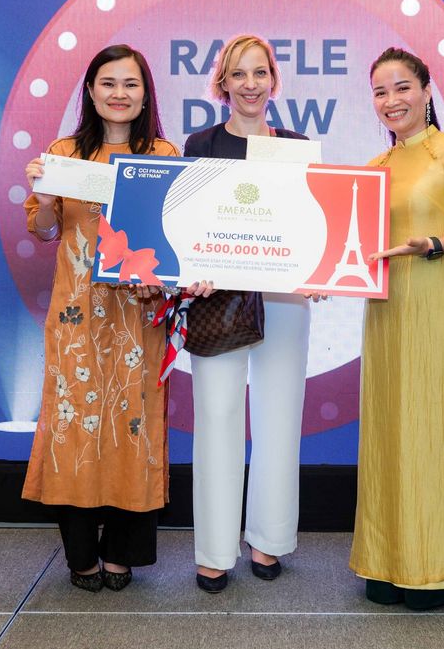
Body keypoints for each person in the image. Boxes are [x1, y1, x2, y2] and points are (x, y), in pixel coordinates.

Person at [349, 47, 444, 610]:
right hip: (386, 310)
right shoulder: (375, 168)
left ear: (426, 91)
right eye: (380, 91)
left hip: (437, 299)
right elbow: (353, 243)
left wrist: (436, 243)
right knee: (389, 427)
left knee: (435, 425)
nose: (391, 101)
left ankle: (437, 564)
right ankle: (388, 560)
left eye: (402, 88)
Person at [21, 44, 179, 593]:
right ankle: (81, 555)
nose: (119, 94)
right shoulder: (64, 154)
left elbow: (175, 235)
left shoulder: (163, 154)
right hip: (77, 316)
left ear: (146, 94)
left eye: (130, 84)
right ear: (90, 91)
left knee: (133, 424)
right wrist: (45, 196)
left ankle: (122, 554)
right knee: (76, 426)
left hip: (139, 314)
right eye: (108, 83)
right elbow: (44, 231)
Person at [182, 34, 314, 593]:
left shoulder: (298, 147)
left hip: (284, 298)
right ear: (222, 84)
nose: (250, 84)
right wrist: (192, 270)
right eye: (239, 74)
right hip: (217, 300)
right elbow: (186, 223)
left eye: (260, 73)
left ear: (274, 81)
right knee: (217, 416)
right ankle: (214, 551)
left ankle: (268, 539)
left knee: (280, 416)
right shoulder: (201, 144)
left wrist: (320, 271)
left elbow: (313, 226)